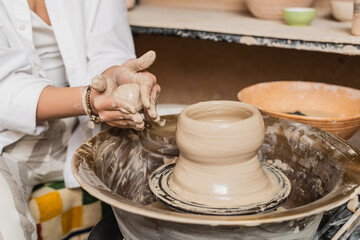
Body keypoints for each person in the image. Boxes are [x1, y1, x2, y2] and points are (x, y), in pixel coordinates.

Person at [0, 0, 161, 239]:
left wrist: (116, 76)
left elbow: (107, 48)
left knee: (167, 171)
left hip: (82, 129)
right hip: (7, 139)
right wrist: (87, 100)